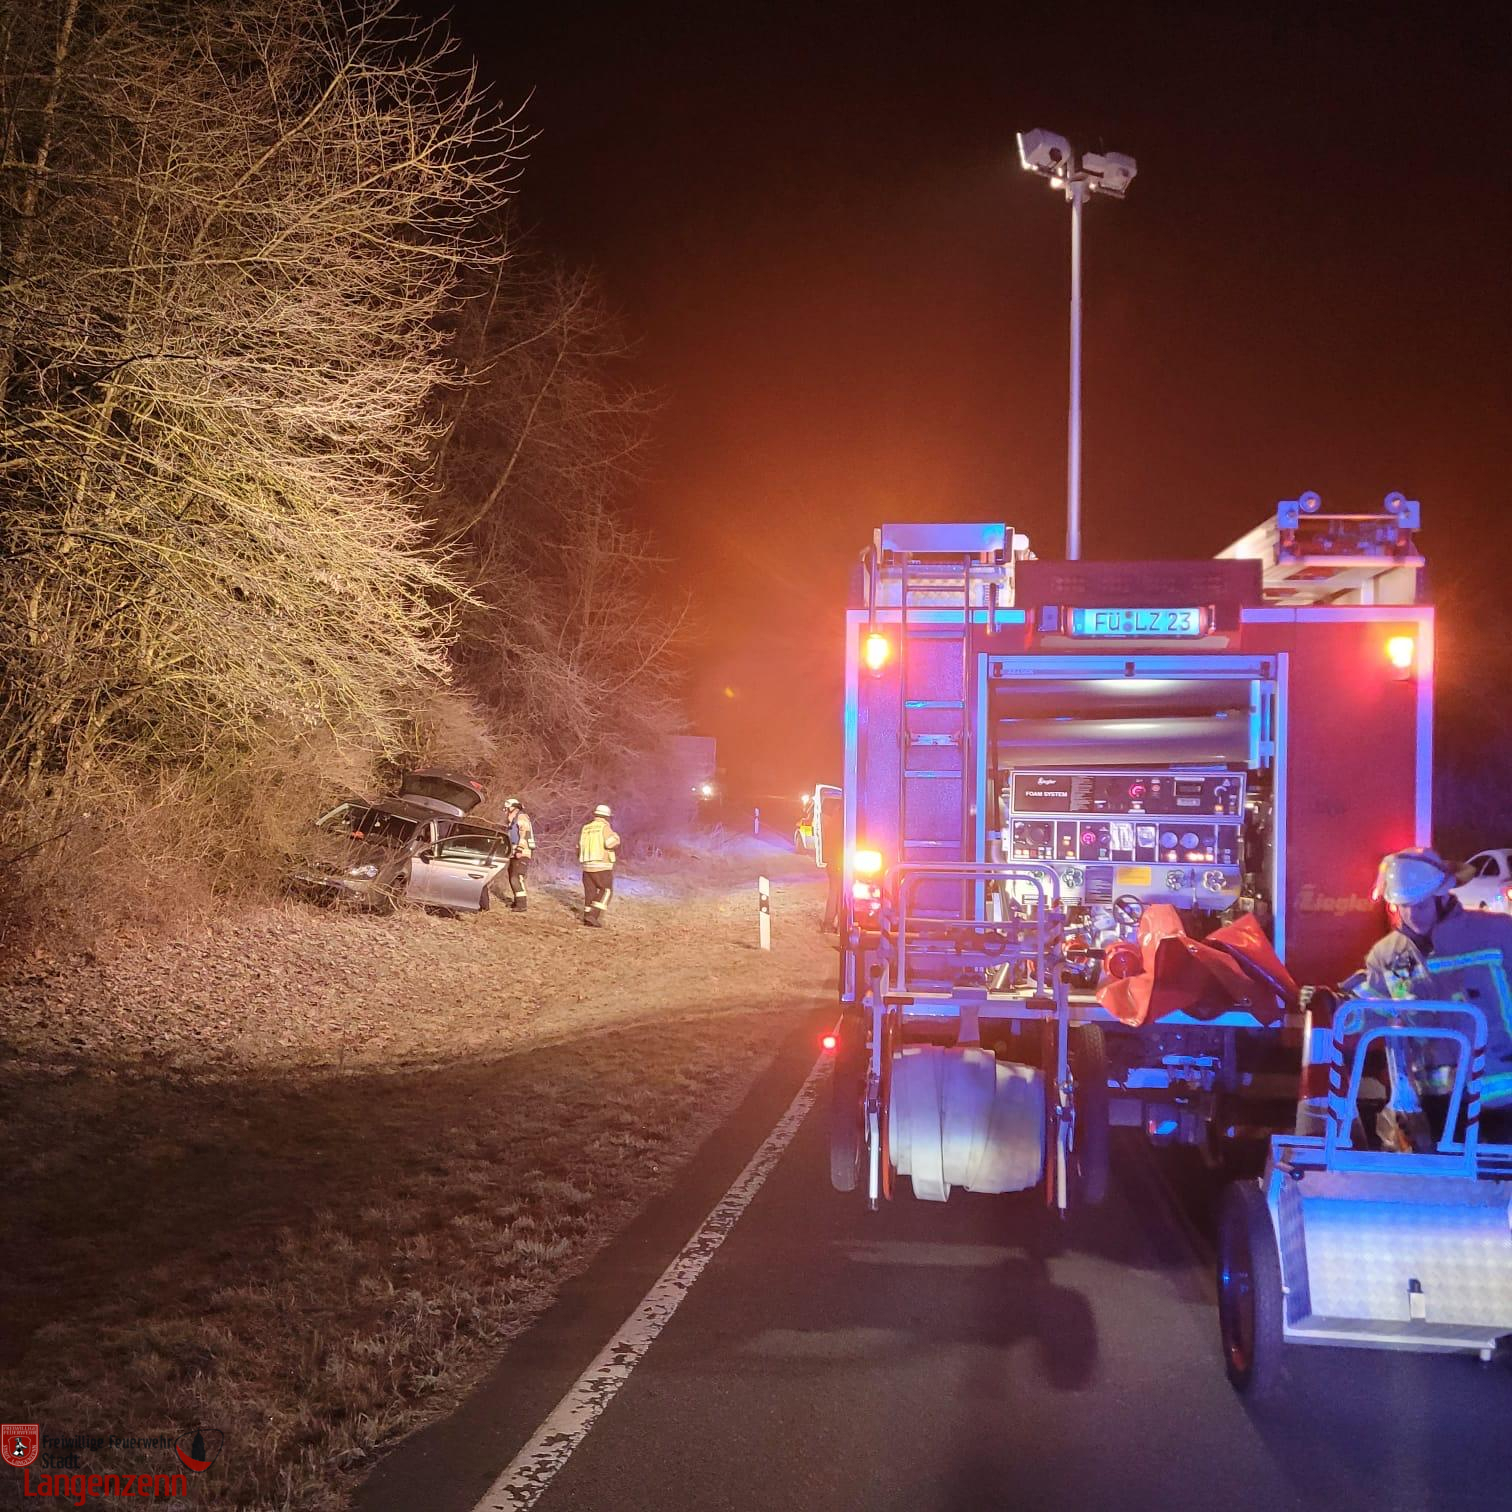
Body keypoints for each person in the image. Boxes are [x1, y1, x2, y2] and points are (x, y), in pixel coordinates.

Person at [1356, 847, 1512, 1145]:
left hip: (1502, 1095)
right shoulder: (1386, 955)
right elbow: (1370, 1012)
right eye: (1403, 906)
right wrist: (1333, 1004)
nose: (1412, 915)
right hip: (1437, 1103)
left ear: (1442, 896)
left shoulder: (1498, 933)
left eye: (1421, 905)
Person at [578, 802, 620, 927]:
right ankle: (593, 915)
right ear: (607, 817)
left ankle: (587, 916)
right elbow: (610, 843)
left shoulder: (585, 828)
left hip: (587, 867)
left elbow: (578, 847)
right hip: (601, 865)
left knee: (590, 892)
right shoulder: (604, 827)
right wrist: (616, 837)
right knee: (606, 890)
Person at [503, 797, 535, 911]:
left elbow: (525, 833)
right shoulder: (512, 821)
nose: (506, 811)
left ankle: (521, 904)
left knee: (516, 877)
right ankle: (517, 902)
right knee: (512, 876)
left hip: (522, 852)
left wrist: (520, 849)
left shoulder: (521, 817)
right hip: (514, 852)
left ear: (514, 808)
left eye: (507, 809)